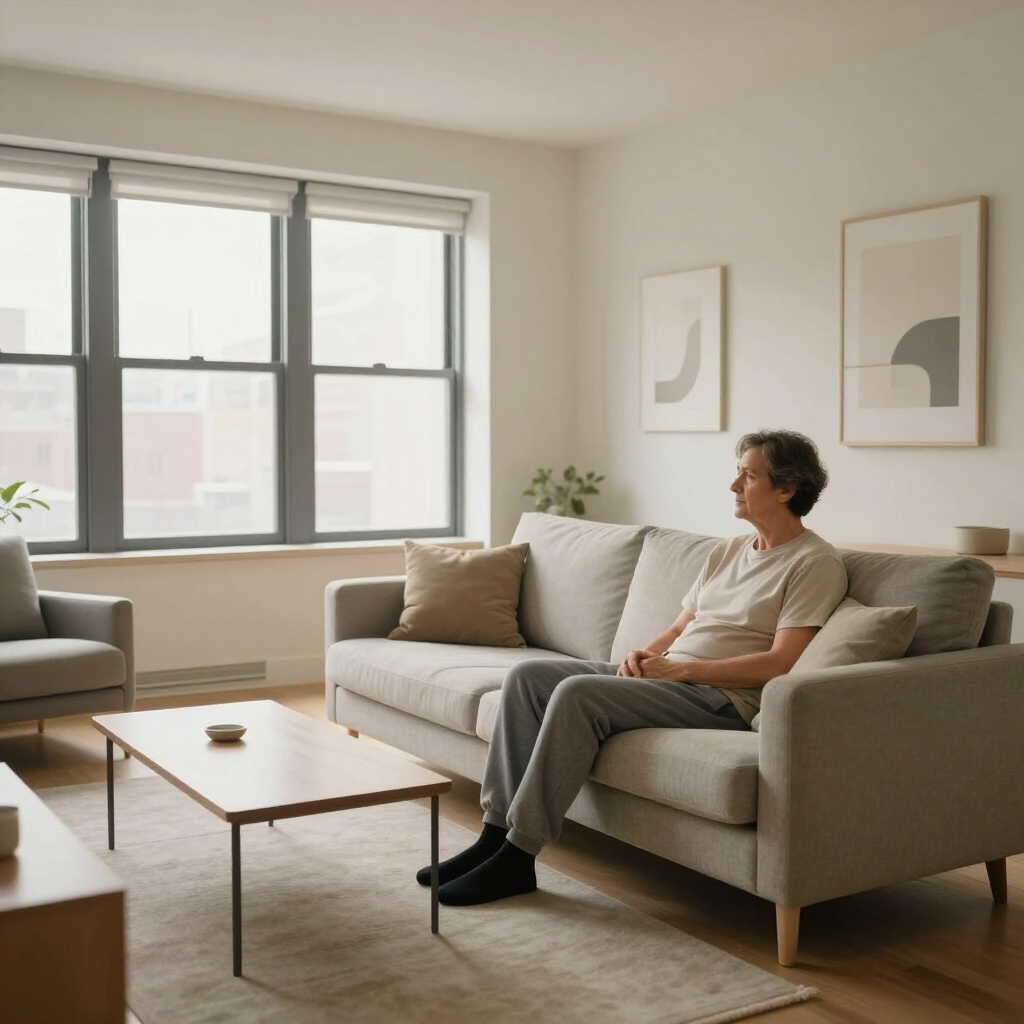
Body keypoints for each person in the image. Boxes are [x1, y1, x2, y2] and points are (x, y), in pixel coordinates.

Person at [417, 429, 848, 907]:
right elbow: (681, 626)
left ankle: (518, 856)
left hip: (724, 697)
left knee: (578, 694)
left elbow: (781, 663)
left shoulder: (814, 563)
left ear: (786, 489)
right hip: (674, 676)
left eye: (748, 476)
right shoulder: (728, 551)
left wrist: (679, 673)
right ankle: (493, 836)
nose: (733, 485)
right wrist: (642, 655)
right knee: (528, 678)